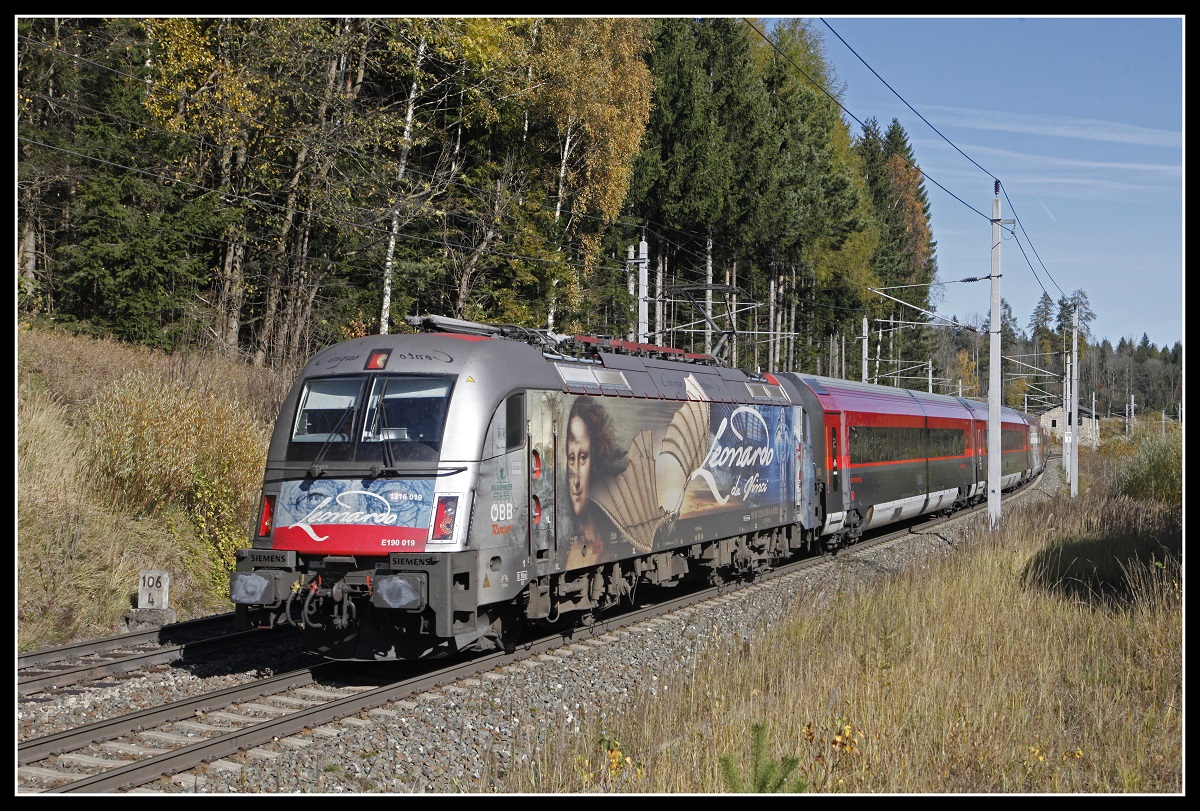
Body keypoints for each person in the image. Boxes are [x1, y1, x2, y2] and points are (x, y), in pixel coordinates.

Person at [564, 397, 633, 569]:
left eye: (583, 457)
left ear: (595, 461)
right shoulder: (563, 544)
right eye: (571, 458)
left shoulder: (613, 538)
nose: (576, 479)